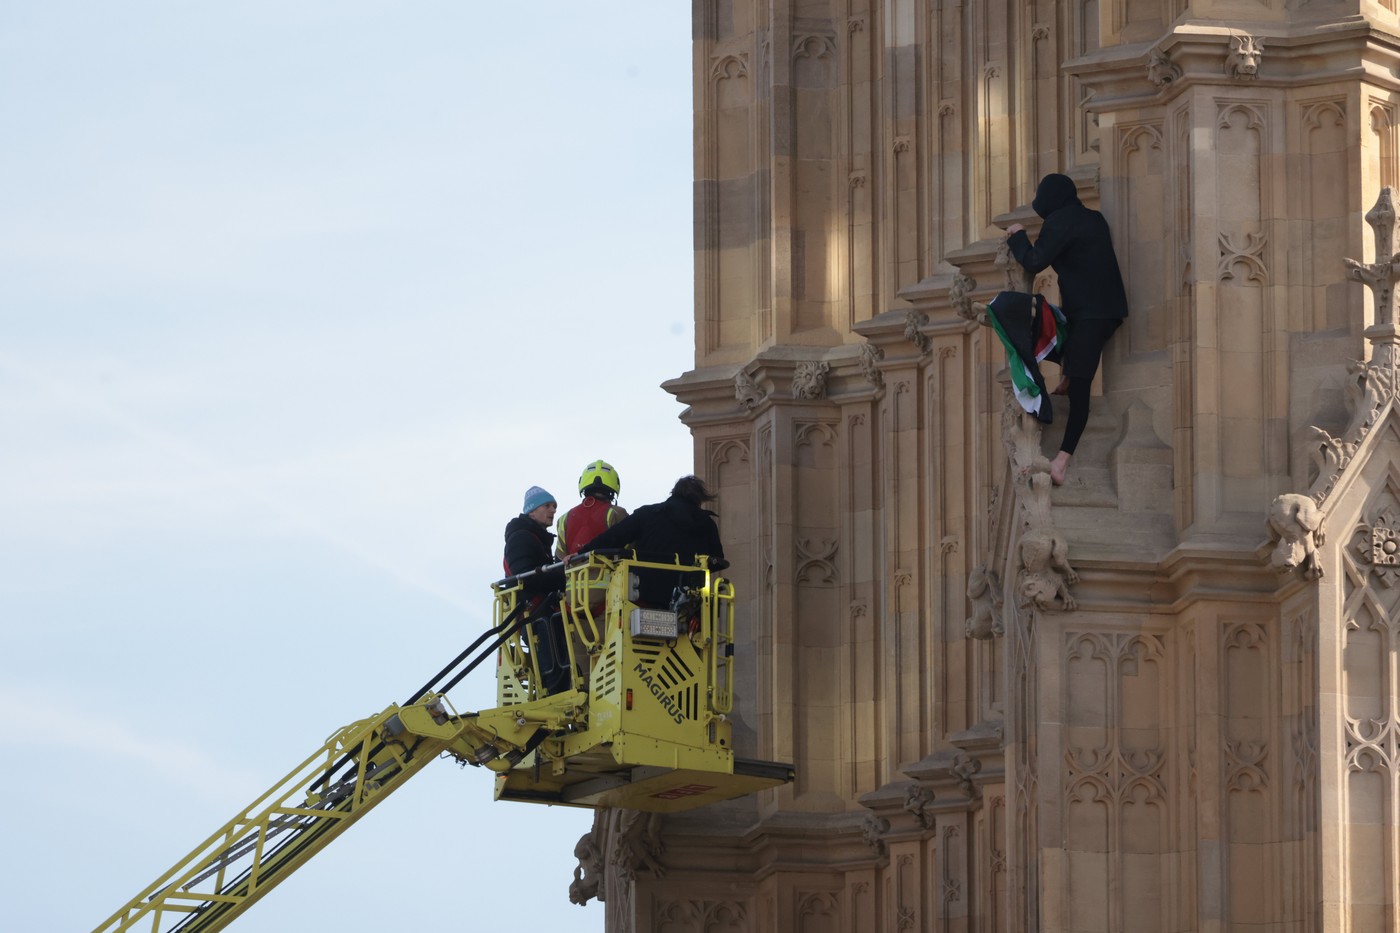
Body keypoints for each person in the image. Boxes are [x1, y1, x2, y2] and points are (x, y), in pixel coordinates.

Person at [1005, 172, 1129, 485]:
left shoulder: (1061, 221)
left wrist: (1017, 235)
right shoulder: (1091, 217)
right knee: (1047, 329)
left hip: (1092, 314)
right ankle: (1070, 370)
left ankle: (1062, 460)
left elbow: (1034, 260)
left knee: (1079, 390)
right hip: (1097, 309)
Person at [582, 475, 726, 606]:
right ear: (699, 500)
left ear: (673, 493)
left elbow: (613, 537)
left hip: (644, 595)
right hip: (688, 601)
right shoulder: (707, 524)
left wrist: (580, 553)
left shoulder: (648, 514)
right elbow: (717, 559)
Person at [502, 485, 569, 692]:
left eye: (554, 506)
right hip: (534, 612)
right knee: (552, 669)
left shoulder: (535, 537)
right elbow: (525, 575)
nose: (553, 510)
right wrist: (560, 574)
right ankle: (553, 691)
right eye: (547, 506)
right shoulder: (521, 537)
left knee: (557, 663)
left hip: (540, 611)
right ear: (532, 510)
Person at [556, 460, 630, 557]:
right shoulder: (617, 513)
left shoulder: (564, 518)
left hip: (573, 572)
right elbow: (630, 548)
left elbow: (559, 557)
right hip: (609, 571)